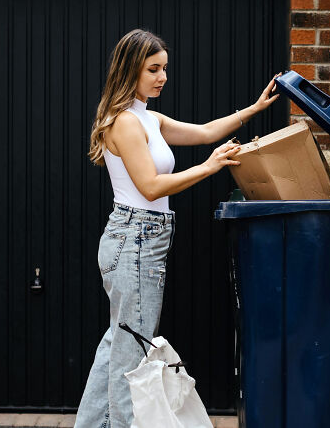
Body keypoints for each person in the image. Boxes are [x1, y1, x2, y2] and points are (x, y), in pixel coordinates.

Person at [74, 29, 279, 428]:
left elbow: (204, 132)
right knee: (132, 352)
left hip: (138, 240)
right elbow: (150, 187)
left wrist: (253, 109)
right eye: (153, 69)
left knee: (119, 342)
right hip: (134, 240)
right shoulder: (125, 124)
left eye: (164, 68)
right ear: (130, 69)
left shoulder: (148, 118)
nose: (162, 77)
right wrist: (209, 167)